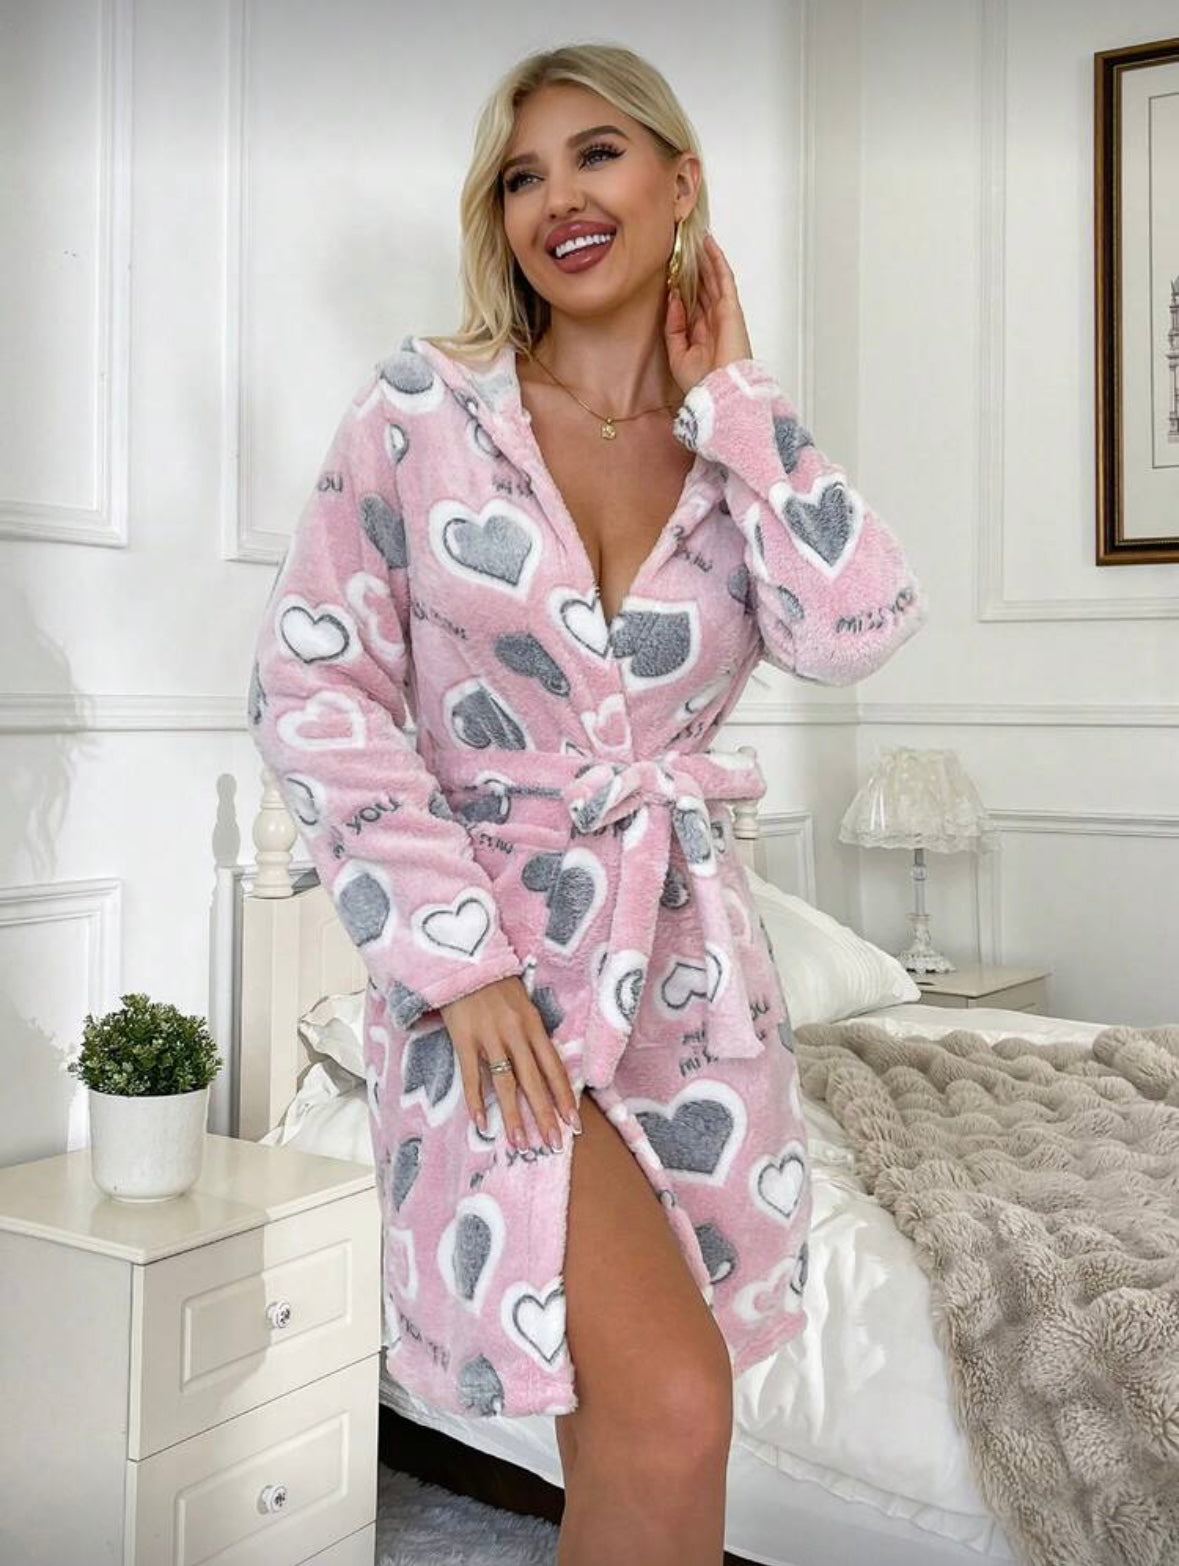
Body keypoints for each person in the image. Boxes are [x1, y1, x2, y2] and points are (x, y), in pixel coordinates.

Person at [247, 41, 928, 1566]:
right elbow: (314, 688)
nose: (557, 195)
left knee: (646, 1428)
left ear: (682, 183)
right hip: (495, 989)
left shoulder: (726, 450)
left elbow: (857, 625)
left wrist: (741, 398)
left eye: (597, 153)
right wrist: (458, 960)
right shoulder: (424, 417)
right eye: (521, 173)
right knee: (675, 1406)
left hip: (690, 994)